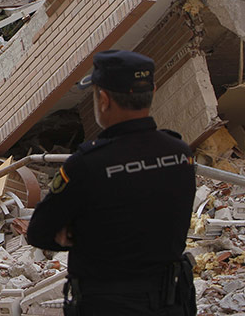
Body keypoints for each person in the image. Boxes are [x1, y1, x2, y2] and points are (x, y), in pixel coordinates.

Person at [27, 50, 196, 316]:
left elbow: (39, 232)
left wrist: (78, 233)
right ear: (151, 91)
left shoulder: (87, 164)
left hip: (108, 304)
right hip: (172, 301)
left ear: (104, 100)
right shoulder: (180, 153)